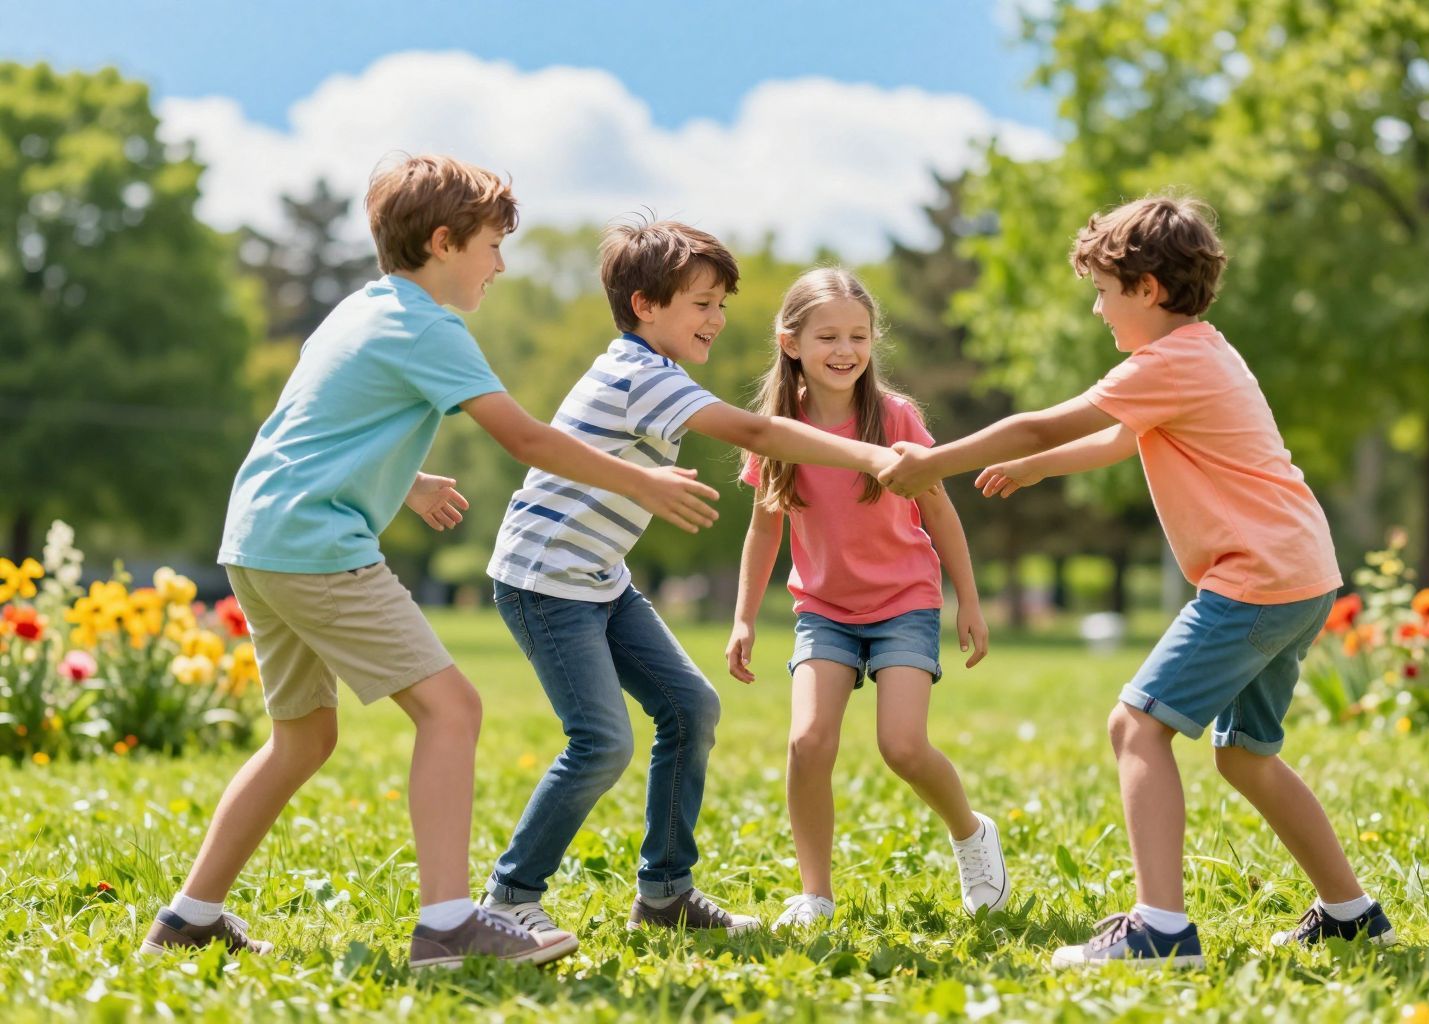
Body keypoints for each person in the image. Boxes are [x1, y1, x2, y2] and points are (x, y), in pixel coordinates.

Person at [140, 155, 718, 971]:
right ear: (444, 243)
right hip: (318, 546)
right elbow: (525, 438)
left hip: (261, 539)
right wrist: (641, 481)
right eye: (490, 246)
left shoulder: (359, 311)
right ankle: (449, 924)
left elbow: (313, 424)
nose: (501, 265)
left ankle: (189, 916)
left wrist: (404, 480)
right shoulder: (429, 326)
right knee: (452, 710)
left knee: (301, 740)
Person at [879, 195, 1395, 967]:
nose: (1096, 309)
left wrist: (930, 462)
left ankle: (1161, 929)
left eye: (1104, 291)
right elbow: (1120, 436)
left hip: (1252, 578)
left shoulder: (1170, 362)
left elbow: (1049, 420)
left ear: (1148, 290)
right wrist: (1035, 468)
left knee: (1135, 727)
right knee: (1244, 754)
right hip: (1300, 572)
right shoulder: (1204, 352)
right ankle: (1352, 913)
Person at [479, 221, 899, 937]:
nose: (717, 319)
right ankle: (509, 898)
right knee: (601, 742)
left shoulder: (654, 373)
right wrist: (867, 457)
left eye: (721, 304)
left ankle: (665, 895)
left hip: (598, 579)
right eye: (702, 303)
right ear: (645, 305)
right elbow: (761, 435)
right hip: (545, 580)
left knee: (689, 708)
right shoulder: (639, 374)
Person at [727, 267, 1008, 931]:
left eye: (858, 335)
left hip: (904, 600)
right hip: (823, 609)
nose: (845, 349)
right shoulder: (778, 429)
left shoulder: (895, 416)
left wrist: (967, 599)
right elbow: (765, 523)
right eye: (828, 336)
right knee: (807, 741)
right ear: (790, 341)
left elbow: (939, 513)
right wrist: (742, 616)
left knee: (903, 747)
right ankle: (815, 894)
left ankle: (971, 833)